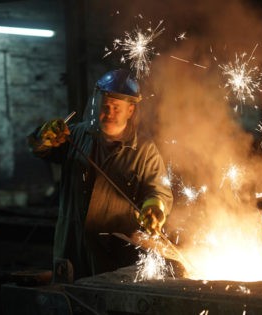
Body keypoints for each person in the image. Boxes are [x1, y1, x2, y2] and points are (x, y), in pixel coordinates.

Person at [28, 69, 173, 279]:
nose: (109, 113)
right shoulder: (75, 135)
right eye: (104, 106)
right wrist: (43, 136)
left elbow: (158, 191)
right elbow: (39, 149)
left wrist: (154, 208)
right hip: (71, 246)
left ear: (131, 110)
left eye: (116, 108)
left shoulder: (144, 150)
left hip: (114, 256)